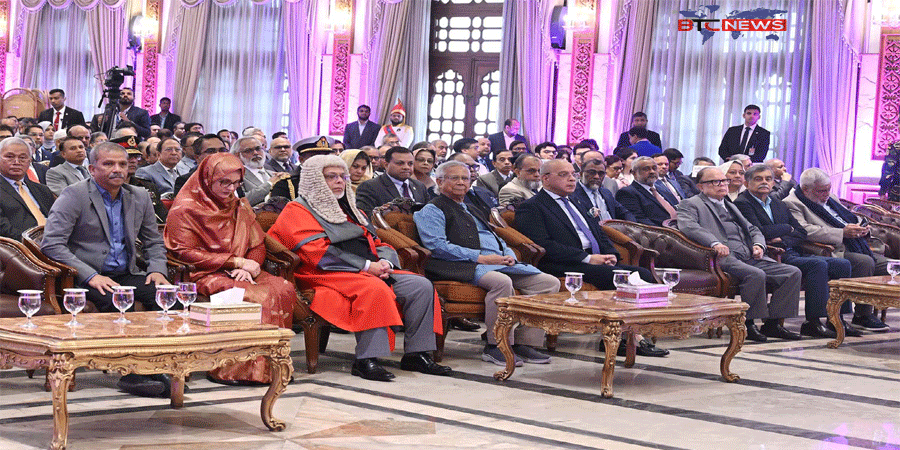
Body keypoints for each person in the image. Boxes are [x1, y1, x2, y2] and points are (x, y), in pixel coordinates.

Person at [268, 154, 451, 381]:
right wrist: (367, 266)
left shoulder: (351, 209)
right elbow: (315, 252)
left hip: (366, 269)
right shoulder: (297, 210)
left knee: (420, 286)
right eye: (331, 177)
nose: (339, 181)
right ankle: (367, 359)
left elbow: (376, 242)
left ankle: (417, 354)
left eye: (342, 176)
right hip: (322, 273)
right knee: (374, 288)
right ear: (314, 180)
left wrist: (385, 262)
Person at [41, 142, 173, 397]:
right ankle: (132, 373)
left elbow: (154, 241)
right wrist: (90, 275)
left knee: (168, 297)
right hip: (85, 276)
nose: (118, 169)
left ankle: (161, 367)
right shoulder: (74, 195)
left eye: (122, 164)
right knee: (119, 301)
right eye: (109, 164)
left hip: (126, 272)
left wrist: (157, 269)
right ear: (92, 168)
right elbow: (52, 244)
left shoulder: (139, 195)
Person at [165, 153, 297, 385]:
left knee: (283, 288)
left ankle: (273, 368)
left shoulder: (239, 206)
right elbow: (184, 253)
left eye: (236, 183)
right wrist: (235, 262)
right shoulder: (185, 209)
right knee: (254, 296)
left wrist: (250, 266)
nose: (231, 189)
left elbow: (257, 244)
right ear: (207, 179)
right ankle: (235, 370)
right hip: (203, 272)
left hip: (242, 271)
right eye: (224, 182)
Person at [515, 159, 666, 357]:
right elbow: (544, 244)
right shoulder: (532, 207)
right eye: (564, 175)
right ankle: (620, 339)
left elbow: (599, 232)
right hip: (562, 263)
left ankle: (633, 334)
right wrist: (587, 258)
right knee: (622, 277)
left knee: (642, 274)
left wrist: (611, 254)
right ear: (545, 178)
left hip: (592, 261)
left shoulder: (577, 201)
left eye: (573, 174)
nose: (571, 179)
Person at [415, 161, 559, 366]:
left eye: (465, 178)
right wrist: (480, 257)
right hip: (462, 264)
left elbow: (495, 236)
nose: (461, 182)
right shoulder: (432, 209)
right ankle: (496, 345)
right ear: (439, 181)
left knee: (548, 283)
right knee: (501, 282)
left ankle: (524, 342)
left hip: (495, 261)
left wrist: (508, 254)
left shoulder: (472, 208)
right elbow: (437, 246)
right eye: (454, 178)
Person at [677, 166, 802, 342]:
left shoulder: (729, 204)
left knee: (791, 272)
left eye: (724, 181)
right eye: (715, 182)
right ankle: (747, 324)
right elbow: (689, 227)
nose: (722, 184)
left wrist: (758, 244)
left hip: (749, 254)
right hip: (721, 256)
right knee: (755, 274)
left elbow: (752, 228)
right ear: (700, 186)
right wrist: (714, 243)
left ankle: (773, 325)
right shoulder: (691, 204)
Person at [733, 165, 853, 338]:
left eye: (768, 179)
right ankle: (812, 322)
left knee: (842, 264)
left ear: (773, 183)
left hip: (791, 250)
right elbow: (759, 231)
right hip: (770, 254)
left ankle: (836, 319)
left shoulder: (777, 203)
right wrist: (787, 228)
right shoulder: (742, 203)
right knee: (817, 265)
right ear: (746, 183)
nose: (764, 182)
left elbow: (801, 232)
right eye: (758, 179)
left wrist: (784, 237)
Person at [783, 168, 890, 332]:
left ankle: (868, 311)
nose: (826, 194)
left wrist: (861, 226)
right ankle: (862, 315)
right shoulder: (792, 203)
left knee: (889, 265)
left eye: (828, 189)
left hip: (853, 243)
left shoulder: (831, 198)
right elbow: (804, 230)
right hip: (828, 249)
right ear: (805, 189)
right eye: (821, 191)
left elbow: (847, 216)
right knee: (864, 262)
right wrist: (842, 233)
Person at [0, 137, 54, 240]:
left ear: (30, 161)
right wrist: (33, 242)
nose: (16, 162)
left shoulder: (43, 190)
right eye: (9, 157)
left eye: (22, 157)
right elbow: (3, 229)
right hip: (20, 245)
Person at [355, 146, 429, 216]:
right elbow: (366, 217)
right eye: (400, 163)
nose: (406, 167)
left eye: (410, 164)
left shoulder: (419, 186)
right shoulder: (370, 186)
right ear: (386, 165)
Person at [113, 136, 168, 223]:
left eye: (136, 157)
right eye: (128, 157)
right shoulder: (109, 187)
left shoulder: (148, 186)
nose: (134, 161)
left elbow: (163, 217)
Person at [615, 156, 679, 226]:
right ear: (634, 173)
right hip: (659, 230)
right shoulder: (627, 193)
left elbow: (676, 208)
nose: (652, 172)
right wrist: (667, 231)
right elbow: (639, 221)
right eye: (646, 169)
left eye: (654, 168)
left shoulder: (661, 188)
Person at [570, 155, 635, 222]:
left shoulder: (606, 192)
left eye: (601, 173)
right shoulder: (572, 194)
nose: (597, 177)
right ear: (581, 174)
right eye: (592, 173)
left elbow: (624, 213)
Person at [232, 136, 290, 206]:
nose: (255, 153)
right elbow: (242, 201)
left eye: (258, 149)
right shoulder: (237, 176)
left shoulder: (272, 173)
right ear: (238, 155)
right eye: (248, 150)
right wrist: (269, 184)